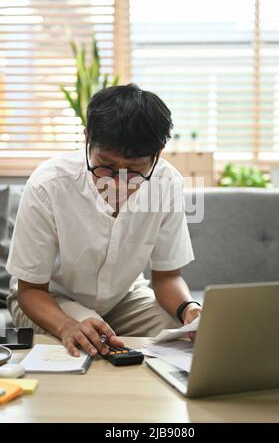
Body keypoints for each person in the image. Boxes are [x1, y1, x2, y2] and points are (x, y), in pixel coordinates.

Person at [6, 83, 201, 357]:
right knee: (95, 339)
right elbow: (30, 290)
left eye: (134, 171)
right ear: (87, 139)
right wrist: (66, 326)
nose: (118, 183)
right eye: (105, 166)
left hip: (125, 298)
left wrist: (189, 309)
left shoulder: (167, 183)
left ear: (157, 154)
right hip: (49, 299)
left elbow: (167, 276)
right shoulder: (47, 185)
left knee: (181, 339)